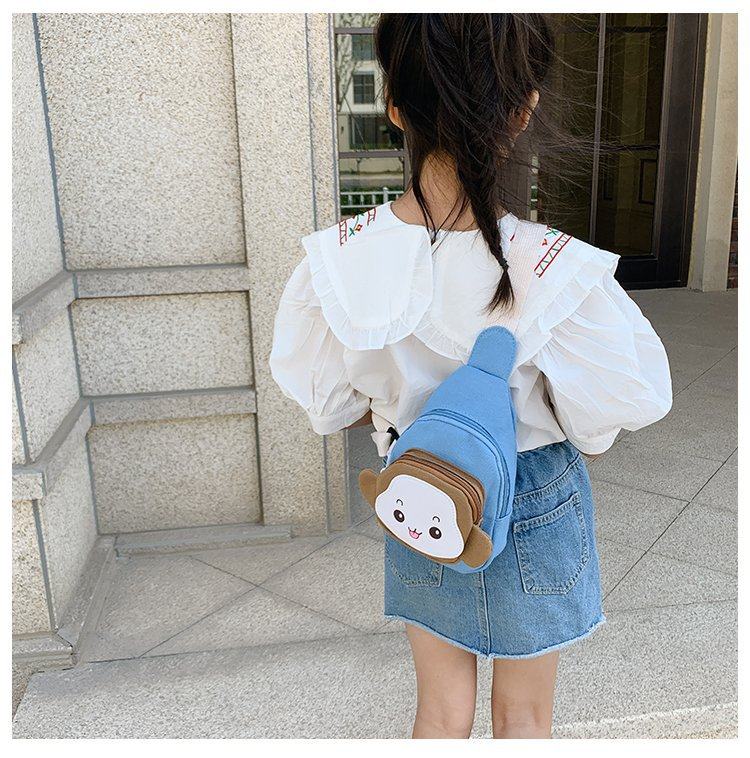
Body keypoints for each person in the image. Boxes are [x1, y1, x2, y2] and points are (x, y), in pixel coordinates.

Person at [269, 13, 672, 739]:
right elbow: (613, 413)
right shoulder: (559, 269)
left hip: (421, 487)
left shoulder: (337, 260)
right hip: (535, 493)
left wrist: (400, 403)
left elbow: (328, 406)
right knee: (525, 716)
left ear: (394, 106)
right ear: (523, 111)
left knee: (440, 708)